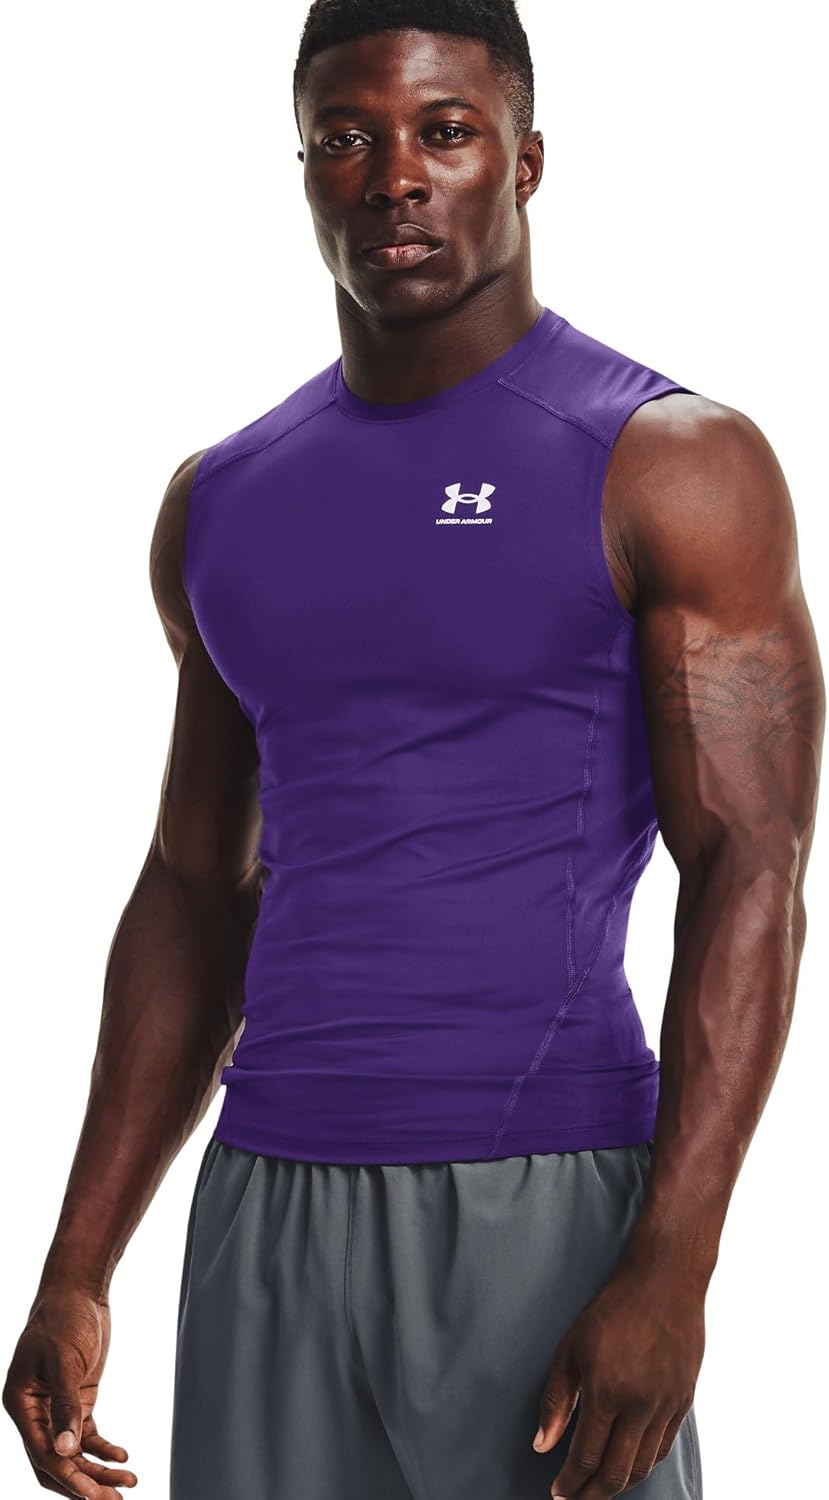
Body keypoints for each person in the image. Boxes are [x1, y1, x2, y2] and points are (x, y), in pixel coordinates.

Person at [4, 2, 824, 1497]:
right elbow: (193, 890)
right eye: (346, 138)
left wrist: (674, 1261)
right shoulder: (224, 498)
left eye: (445, 133)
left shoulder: (669, 462)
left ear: (524, 160)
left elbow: (749, 871)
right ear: (303, 170)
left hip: (541, 1201)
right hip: (266, 1206)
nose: (394, 177)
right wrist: (77, 1264)